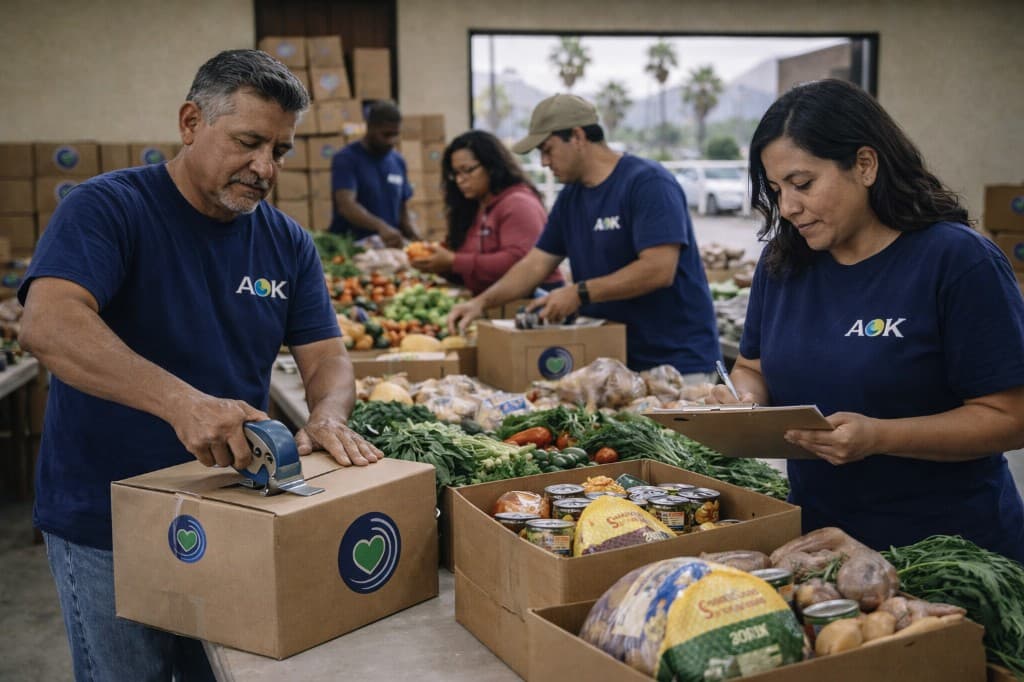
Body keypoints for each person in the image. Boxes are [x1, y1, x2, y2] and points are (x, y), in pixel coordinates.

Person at [17, 49, 383, 681]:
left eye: (281, 151)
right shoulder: (109, 209)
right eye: (248, 142)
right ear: (191, 122)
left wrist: (326, 414)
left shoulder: (286, 242)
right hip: (108, 523)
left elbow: (326, 356)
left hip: (230, 510)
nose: (265, 167)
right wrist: (184, 403)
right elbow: (48, 324)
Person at [710, 79, 1024, 563]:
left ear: (864, 165)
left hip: (950, 555)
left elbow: (1010, 417)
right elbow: (752, 367)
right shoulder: (784, 262)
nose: (788, 207)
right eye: (776, 190)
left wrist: (880, 437)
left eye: (803, 183)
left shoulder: (957, 261)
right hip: (824, 547)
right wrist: (742, 403)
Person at [447, 94, 720, 378]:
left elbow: (659, 269)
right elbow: (535, 264)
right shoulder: (571, 199)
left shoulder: (647, 183)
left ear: (577, 137)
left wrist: (579, 293)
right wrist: (480, 303)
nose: (543, 162)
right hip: (615, 361)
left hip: (678, 364)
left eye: (547, 149)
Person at [411, 129, 563, 295]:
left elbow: (520, 262)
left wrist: (454, 261)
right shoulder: (475, 207)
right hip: (496, 301)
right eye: (455, 173)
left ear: (491, 166)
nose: (460, 180)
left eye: (468, 170)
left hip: (536, 300)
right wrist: (439, 264)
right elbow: (476, 269)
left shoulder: (518, 203)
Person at [329, 100, 420, 247]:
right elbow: (346, 205)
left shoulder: (398, 162)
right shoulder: (347, 159)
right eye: (386, 134)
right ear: (370, 127)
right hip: (351, 248)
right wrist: (381, 227)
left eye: (396, 134)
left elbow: (402, 210)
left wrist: (417, 239)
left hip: (387, 250)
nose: (392, 141)